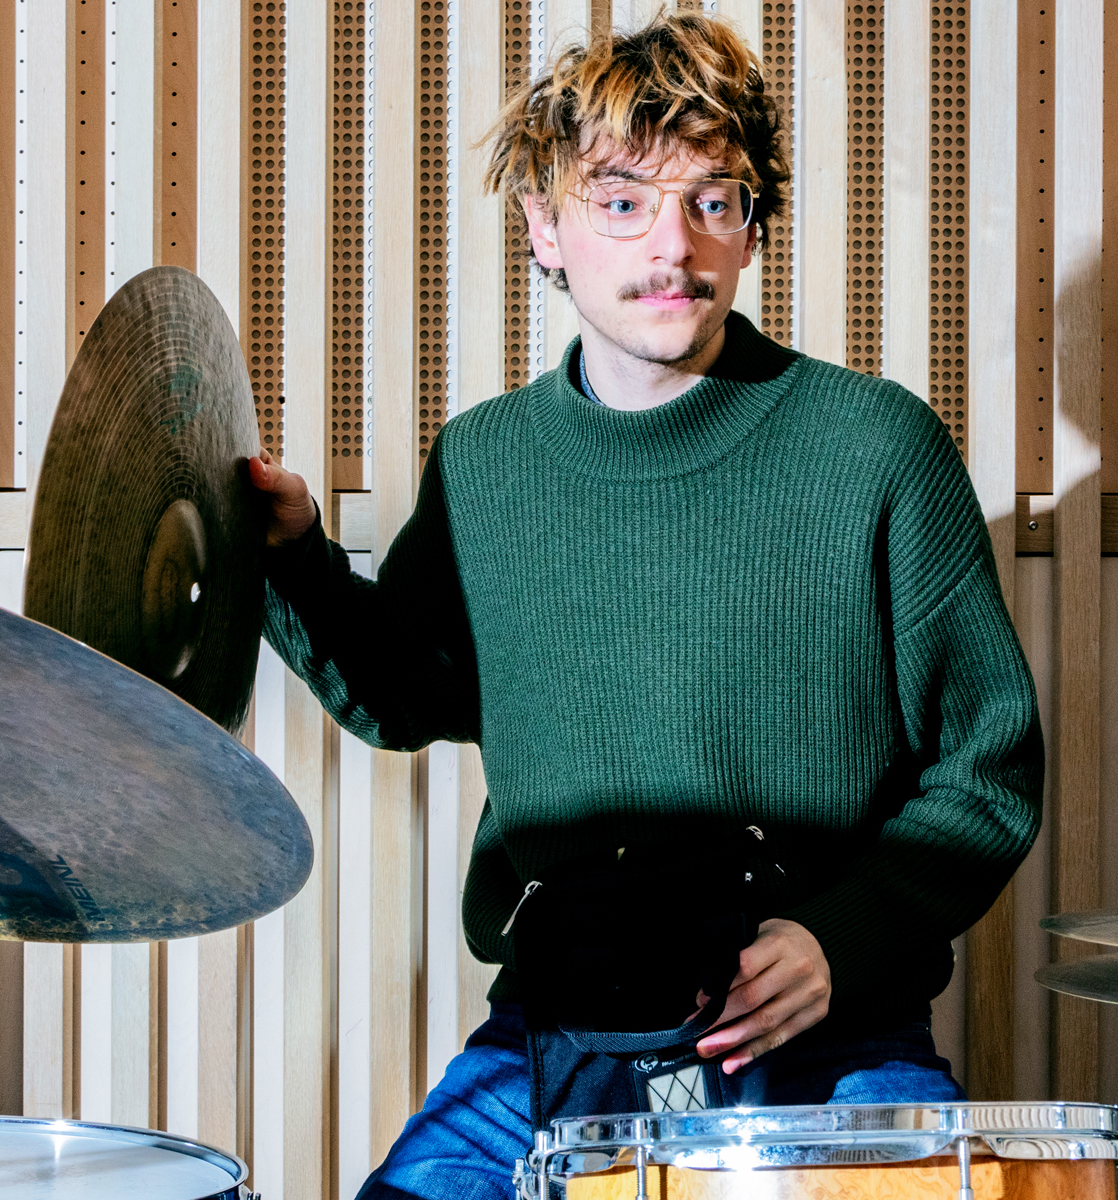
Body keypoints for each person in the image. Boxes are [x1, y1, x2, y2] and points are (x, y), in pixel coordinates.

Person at [242, 13, 1041, 1200]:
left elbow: (987, 765)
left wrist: (841, 938)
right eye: (622, 202)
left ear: (752, 227)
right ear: (544, 229)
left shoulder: (876, 447)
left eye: (712, 202)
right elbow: (408, 694)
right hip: (556, 1028)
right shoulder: (485, 460)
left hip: (828, 1031)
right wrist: (297, 558)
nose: (673, 244)